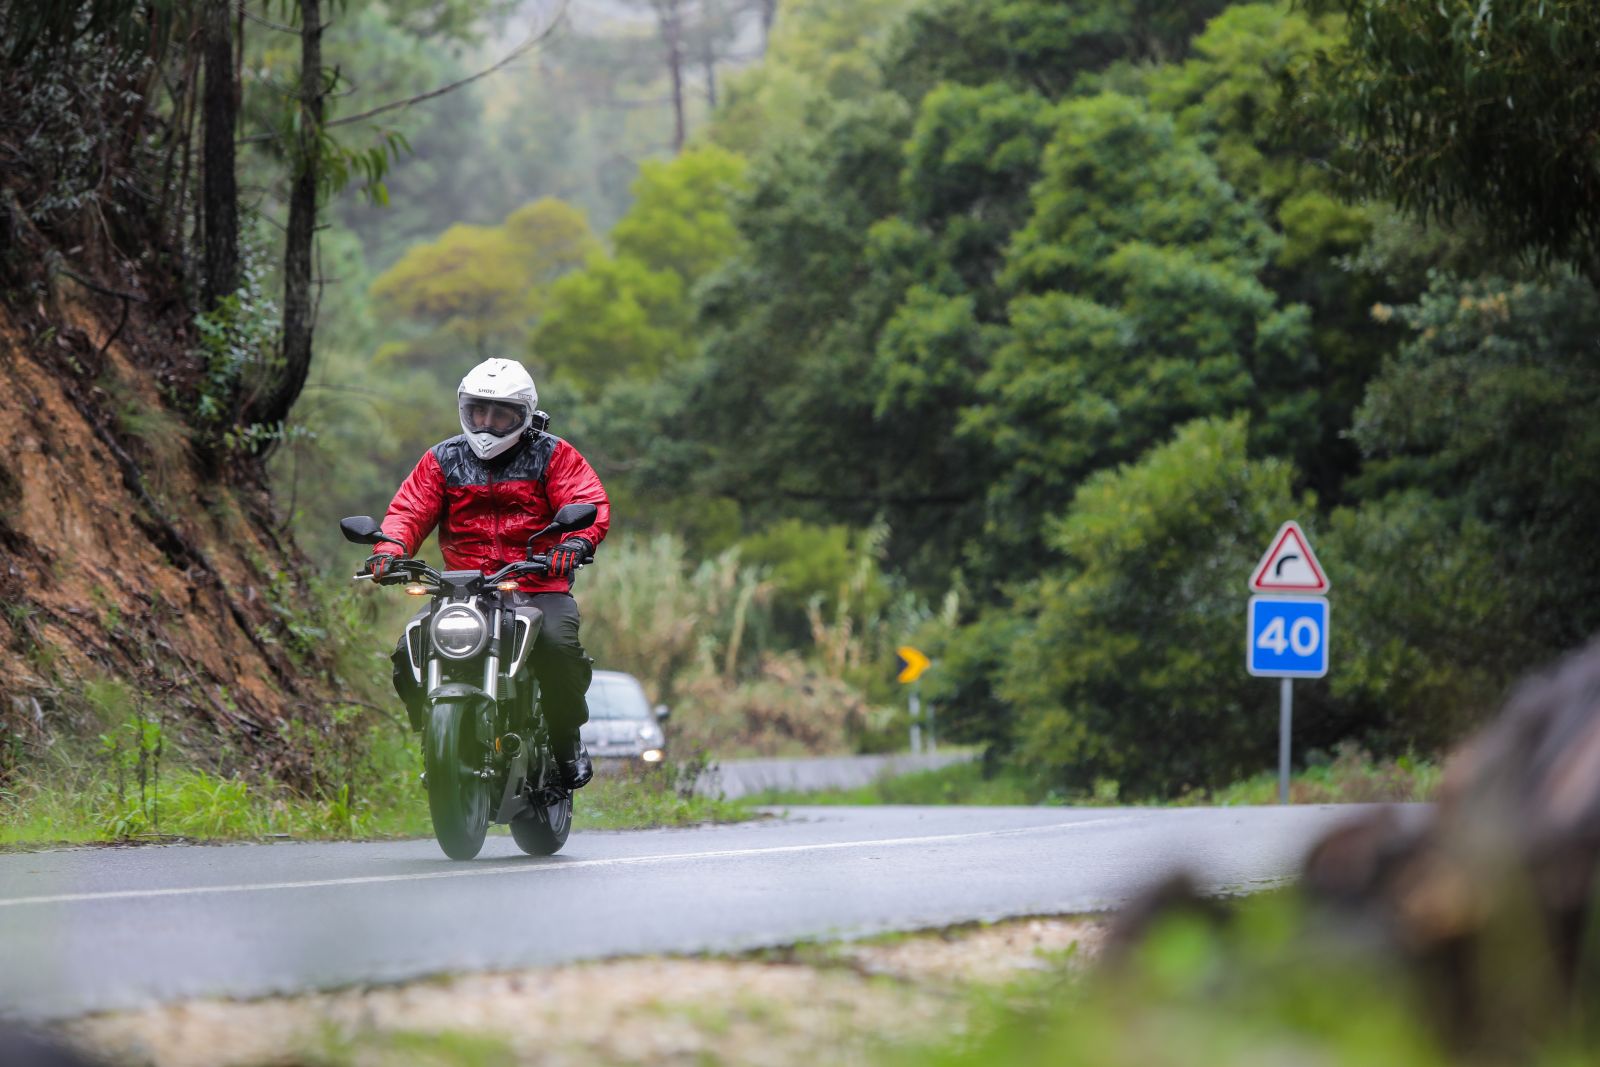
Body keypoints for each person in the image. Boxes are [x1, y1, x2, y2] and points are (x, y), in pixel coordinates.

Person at [363, 358, 609, 788]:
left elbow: (587, 501)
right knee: (409, 652)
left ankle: (567, 741)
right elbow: (408, 511)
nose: (487, 423)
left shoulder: (554, 455)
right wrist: (389, 549)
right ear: (465, 408)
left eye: (501, 415)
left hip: (537, 583)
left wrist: (575, 543)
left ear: (524, 415)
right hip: (463, 588)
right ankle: (439, 743)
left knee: (557, 647)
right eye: (479, 411)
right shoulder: (442, 459)